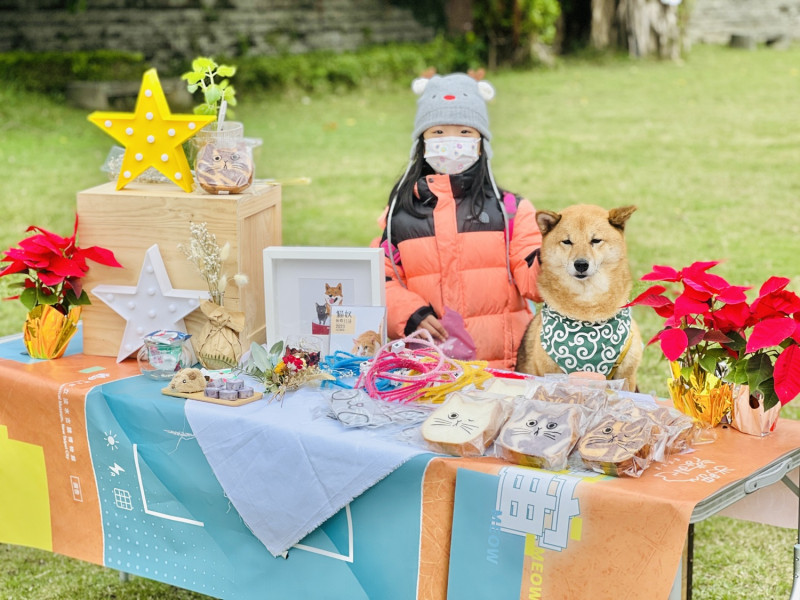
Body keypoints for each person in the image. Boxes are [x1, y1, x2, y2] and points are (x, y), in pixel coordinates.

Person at [377, 72, 542, 370]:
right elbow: (380, 280)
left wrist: (558, 254)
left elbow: (536, 284)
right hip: (431, 372)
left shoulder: (511, 212)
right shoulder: (399, 215)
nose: (451, 141)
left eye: (465, 132)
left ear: (481, 144)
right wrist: (409, 314)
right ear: (422, 143)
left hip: (505, 371)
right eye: (438, 132)